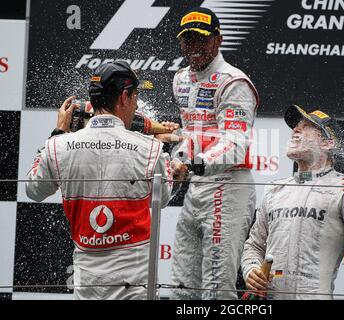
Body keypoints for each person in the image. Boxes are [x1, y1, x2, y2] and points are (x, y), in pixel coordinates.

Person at [25, 61, 174, 300]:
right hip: (135, 284)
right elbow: (163, 199)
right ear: (124, 97)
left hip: (87, 283)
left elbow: (33, 190)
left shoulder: (58, 145)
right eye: (135, 96)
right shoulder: (151, 148)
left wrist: (57, 133)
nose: (136, 105)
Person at [241, 105, 344, 300]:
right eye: (296, 126)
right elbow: (254, 246)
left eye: (307, 126)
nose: (296, 130)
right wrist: (251, 271)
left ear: (328, 143)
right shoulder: (275, 188)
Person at [169, 7, 259, 299]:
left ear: (218, 40)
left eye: (201, 39)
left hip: (229, 187)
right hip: (198, 187)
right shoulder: (181, 79)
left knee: (217, 287)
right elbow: (190, 135)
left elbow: (235, 143)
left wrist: (194, 164)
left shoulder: (234, 82)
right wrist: (178, 161)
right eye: (188, 40)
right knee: (183, 285)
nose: (193, 47)